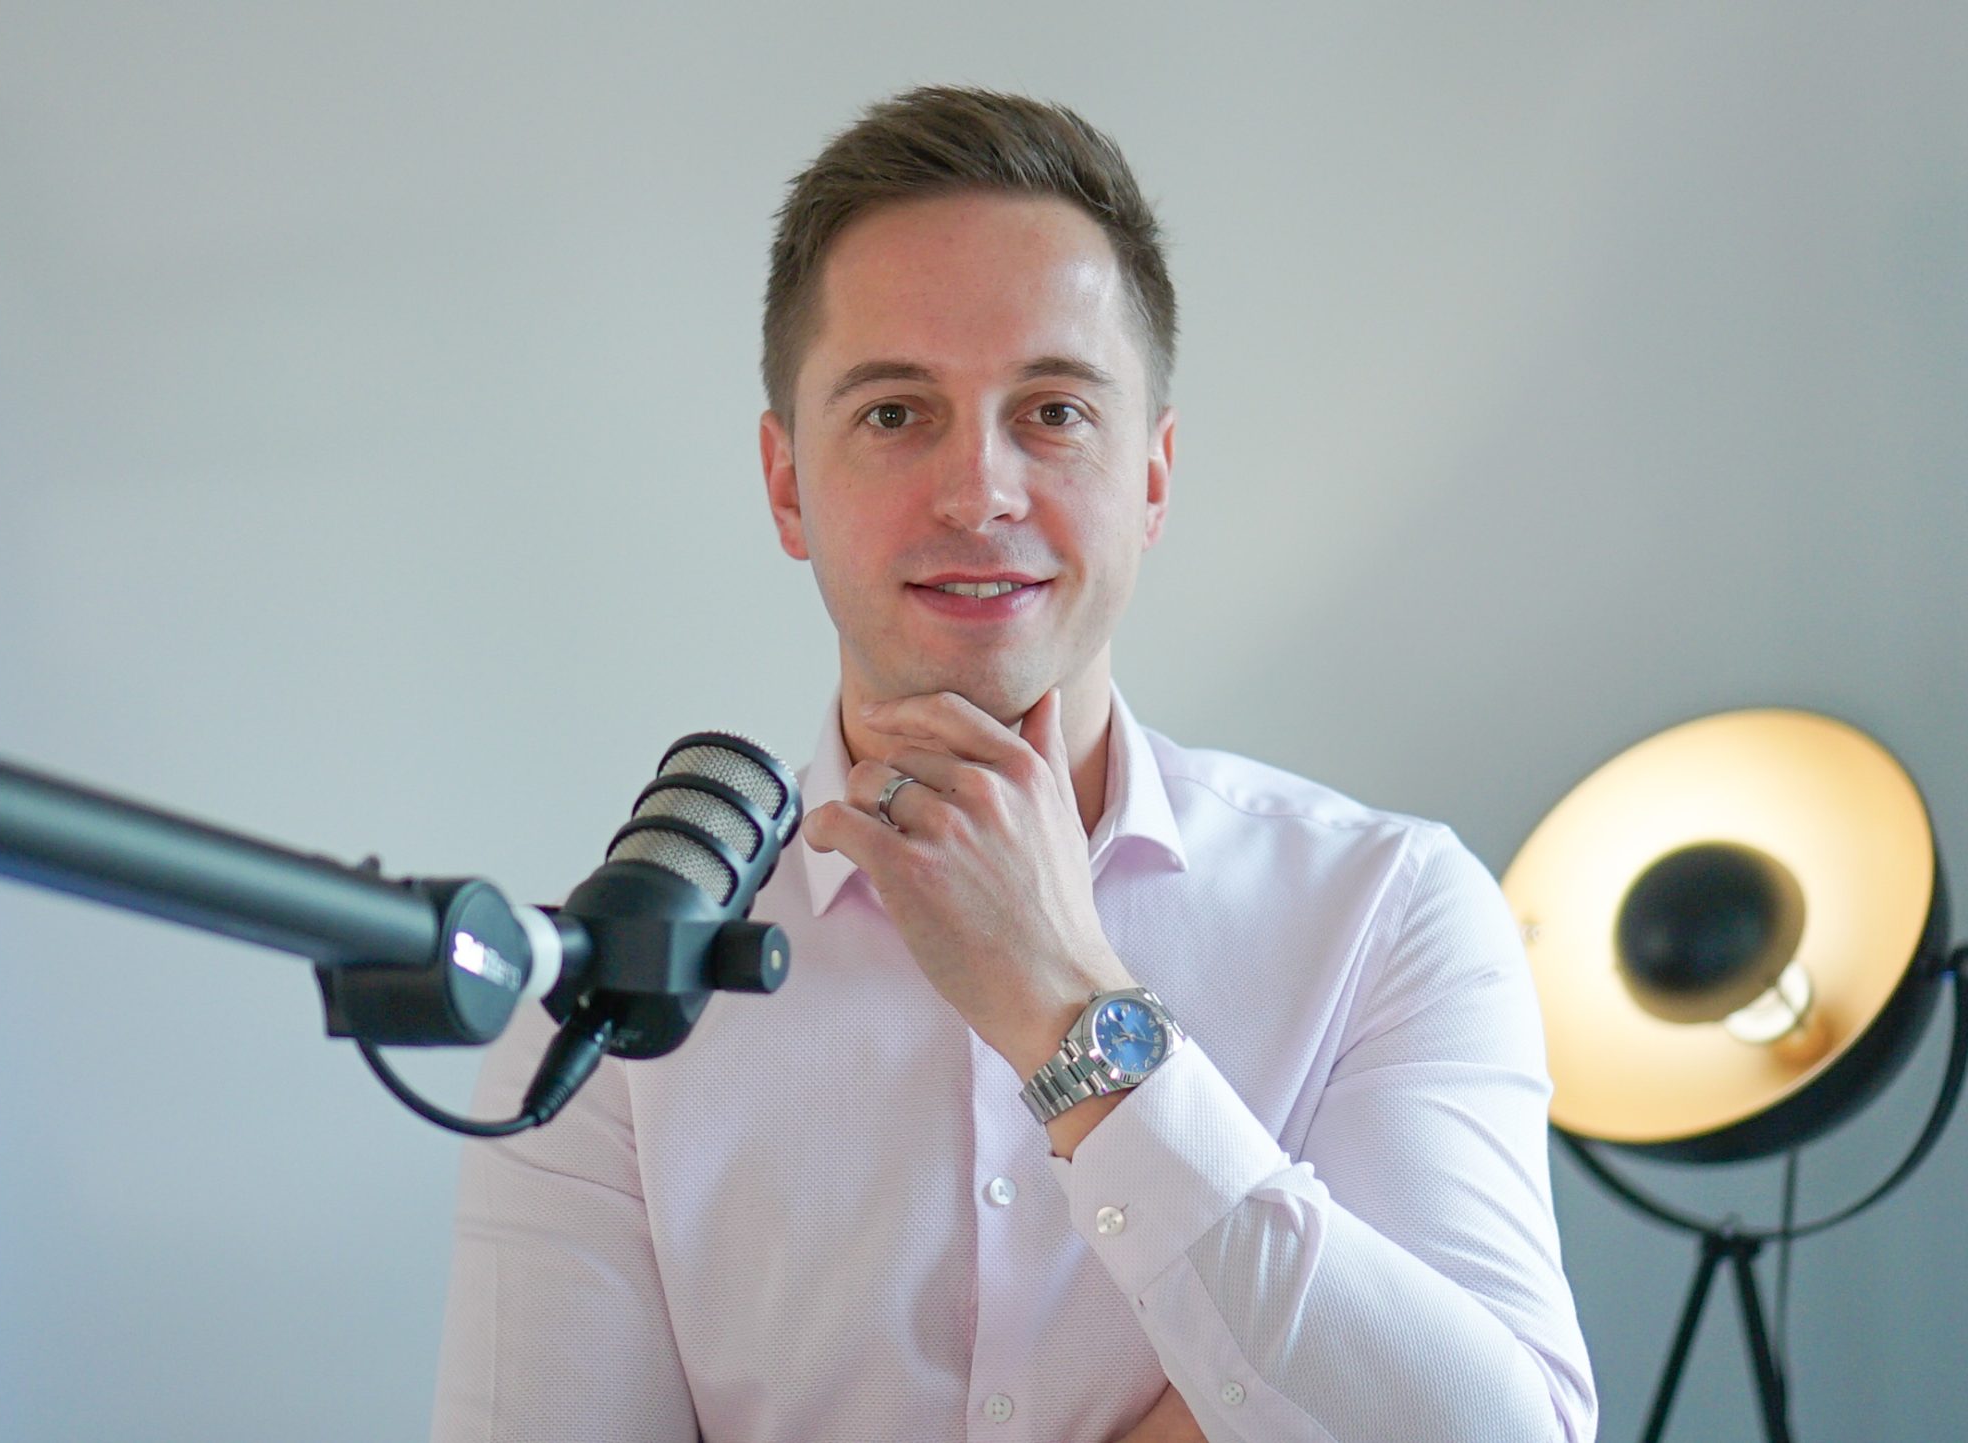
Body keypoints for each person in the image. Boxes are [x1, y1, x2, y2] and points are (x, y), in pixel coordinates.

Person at [431, 85, 1597, 1443]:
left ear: (1152, 477)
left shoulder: (1388, 915)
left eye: (1052, 410)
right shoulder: (603, 1005)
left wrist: (1065, 1004)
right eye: (894, 414)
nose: (978, 492)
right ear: (788, 484)